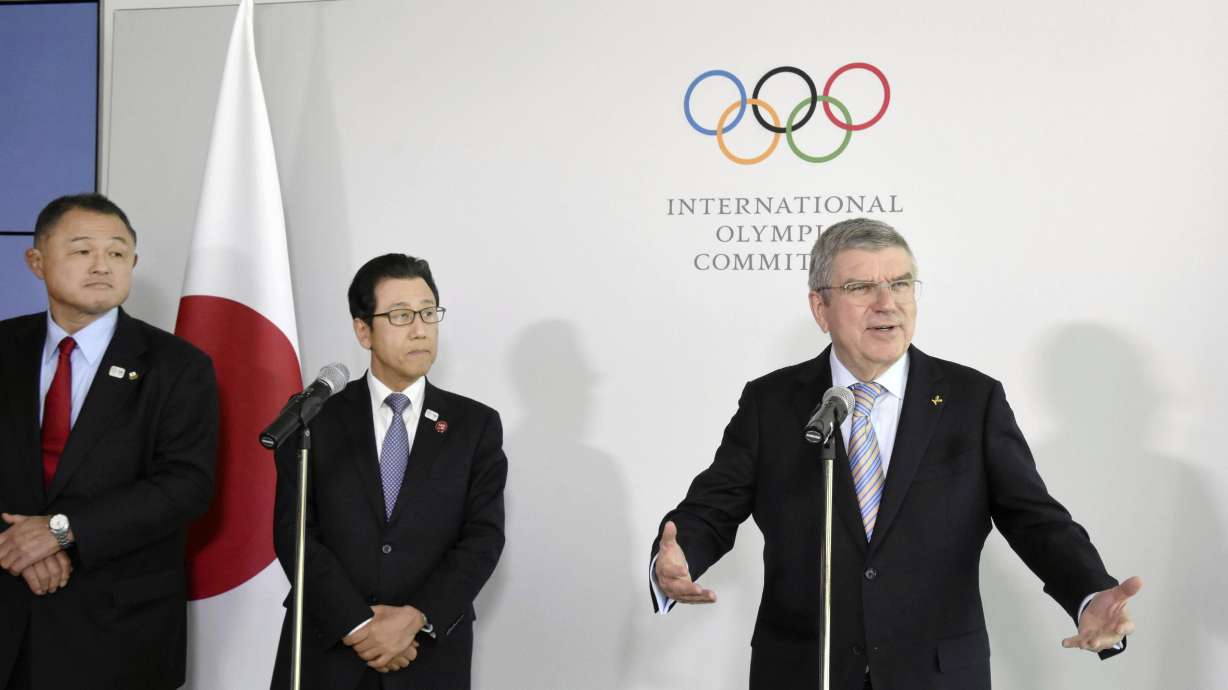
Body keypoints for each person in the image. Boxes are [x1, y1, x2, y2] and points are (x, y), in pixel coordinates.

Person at [649, 218, 1141, 690]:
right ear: (820, 308)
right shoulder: (772, 403)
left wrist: (1088, 594)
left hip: (935, 675)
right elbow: (713, 509)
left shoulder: (972, 400)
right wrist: (678, 556)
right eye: (861, 288)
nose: (887, 304)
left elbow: (1036, 521)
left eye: (902, 284)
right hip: (804, 672)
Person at [0, 193, 219, 690]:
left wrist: (59, 531)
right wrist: (17, 544)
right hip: (9, 610)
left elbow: (186, 485)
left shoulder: (178, 366)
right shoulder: (4, 349)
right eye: (81, 251)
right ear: (36, 262)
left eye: (118, 254)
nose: (102, 266)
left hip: (118, 632)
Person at [270, 254, 507, 690]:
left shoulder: (474, 426)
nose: (420, 329)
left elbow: (483, 538)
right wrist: (357, 625)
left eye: (428, 312)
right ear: (364, 330)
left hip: (427, 655)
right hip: (326, 651)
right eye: (400, 315)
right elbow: (295, 534)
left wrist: (415, 618)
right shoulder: (313, 418)